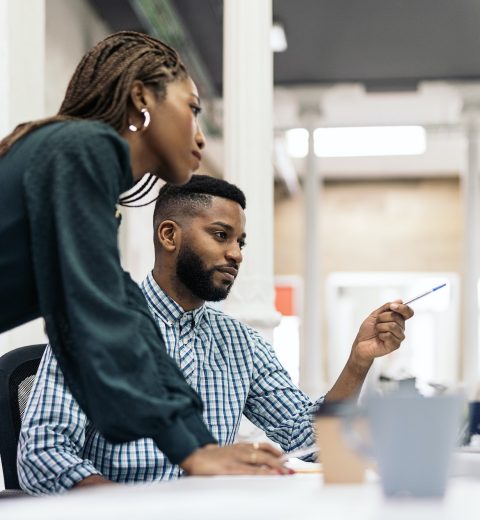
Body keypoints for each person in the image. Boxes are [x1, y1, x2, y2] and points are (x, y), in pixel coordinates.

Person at [0, 31, 285, 477]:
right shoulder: (85, 148)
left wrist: (192, 441)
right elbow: (105, 311)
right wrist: (191, 448)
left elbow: (102, 312)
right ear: (141, 98)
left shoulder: (81, 161)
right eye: (192, 109)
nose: (200, 136)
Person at [18, 175, 414, 494]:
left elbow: (308, 440)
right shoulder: (94, 325)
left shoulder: (240, 344)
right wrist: (133, 509)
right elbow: (43, 453)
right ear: (169, 236)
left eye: (240, 242)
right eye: (221, 235)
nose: (237, 254)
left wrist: (358, 361)